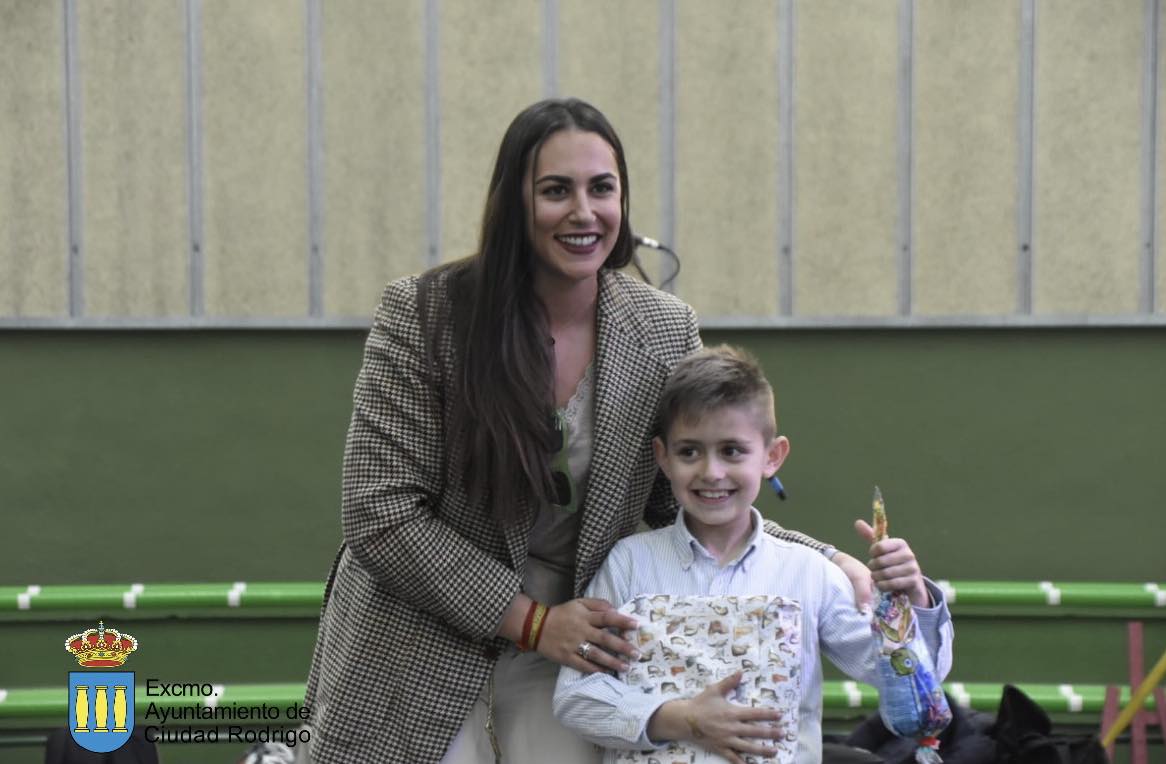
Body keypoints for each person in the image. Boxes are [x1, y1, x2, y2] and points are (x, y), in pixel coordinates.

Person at [301, 98, 870, 764]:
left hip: (583, 640)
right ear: (514, 203)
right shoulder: (426, 314)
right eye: (555, 191)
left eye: (602, 188)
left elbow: (684, 495)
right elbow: (380, 513)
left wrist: (824, 557)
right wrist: (534, 623)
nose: (584, 212)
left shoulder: (663, 328)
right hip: (420, 640)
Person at [552, 345, 954, 764]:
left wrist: (912, 600)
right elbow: (576, 696)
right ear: (663, 458)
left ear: (772, 457)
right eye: (690, 451)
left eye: (732, 451)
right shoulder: (628, 564)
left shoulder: (809, 573)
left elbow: (906, 678)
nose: (711, 472)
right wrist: (681, 719)